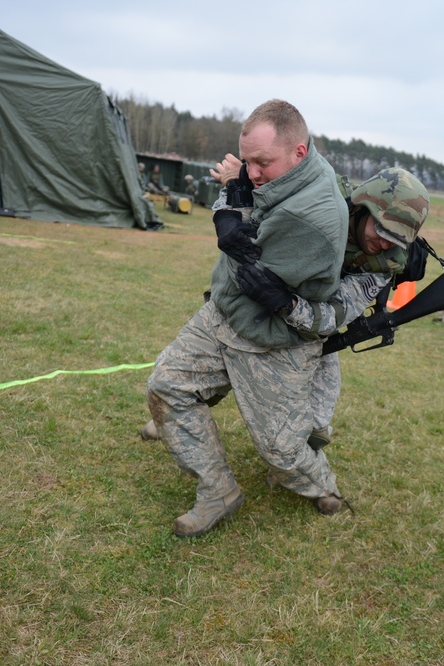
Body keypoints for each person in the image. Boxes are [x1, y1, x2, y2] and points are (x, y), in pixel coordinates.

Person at [145, 99, 349, 538]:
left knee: (281, 453)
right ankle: (217, 489)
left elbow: (249, 267)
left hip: (270, 338)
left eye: (263, 162)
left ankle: (320, 483)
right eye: (249, 160)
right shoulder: (290, 172)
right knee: (166, 386)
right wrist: (239, 189)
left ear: (299, 152)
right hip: (225, 315)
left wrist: (232, 203)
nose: (253, 172)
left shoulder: (313, 217)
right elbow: (246, 225)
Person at [141, 168, 431, 450]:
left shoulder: (382, 264)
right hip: (250, 299)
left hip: (311, 328)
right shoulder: (320, 202)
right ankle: (170, 419)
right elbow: (248, 185)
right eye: (381, 230)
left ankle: (297, 464)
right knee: (213, 365)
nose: (383, 243)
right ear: (363, 206)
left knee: (316, 421)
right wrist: (225, 215)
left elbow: (331, 317)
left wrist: (285, 302)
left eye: (395, 240)